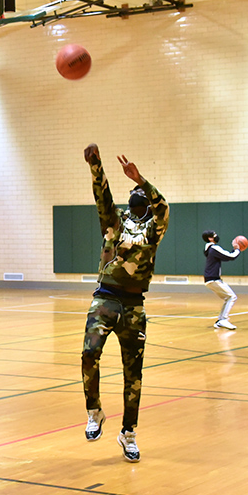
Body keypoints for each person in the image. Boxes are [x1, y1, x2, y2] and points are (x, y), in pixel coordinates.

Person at [81, 143, 169, 463]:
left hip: (134, 306)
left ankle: (128, 433)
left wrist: (142, 179)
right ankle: (95, 412)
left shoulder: (153, 230)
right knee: (89, 354)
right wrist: (96, 164)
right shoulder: (114, 221)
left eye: (141, 195)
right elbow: (101, 195)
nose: (137, 197)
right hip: (105, 298)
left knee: (134, 375)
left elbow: (164, 210)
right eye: (133, 192)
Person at [202, 230, 240, 330]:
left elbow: (225, 257)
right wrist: (237, 249)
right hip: (213, 279)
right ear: (210, 238)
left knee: (228, 298)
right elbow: (230, 256)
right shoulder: (214, 248)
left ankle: (220, 321)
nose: (216, 236)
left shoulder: (209, 249)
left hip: (210, 279)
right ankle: (223, 320)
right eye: (214, 235)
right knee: (232, 297)